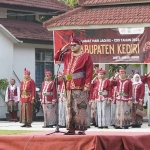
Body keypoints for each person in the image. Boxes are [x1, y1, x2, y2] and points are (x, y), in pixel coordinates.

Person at [54, 34, 93, 135]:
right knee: (69, 107)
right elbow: (56, 58)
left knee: (80, 107)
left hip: (80, 85)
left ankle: (81, 129)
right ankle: (71, 129)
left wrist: (87, 85)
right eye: (71, 45)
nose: (72, 47)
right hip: (68, 86)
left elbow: (89, 71)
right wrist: (63, 49)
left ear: (80, 45)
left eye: (74, 45)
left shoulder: (86, 56)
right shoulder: (67, 55)